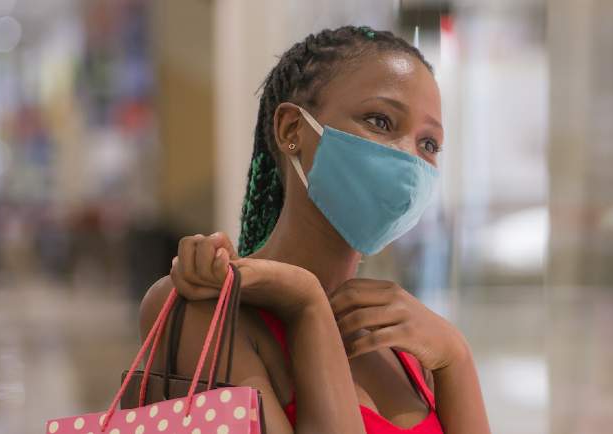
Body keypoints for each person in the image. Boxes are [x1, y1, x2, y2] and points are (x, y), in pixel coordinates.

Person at [138, 26, 490, 434]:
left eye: (429, 144)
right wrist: (307, 304)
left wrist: (455, 358)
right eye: (380, 121)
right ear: (292, 130)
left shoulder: (405, 338)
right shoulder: (207, 313)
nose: (409, 159)